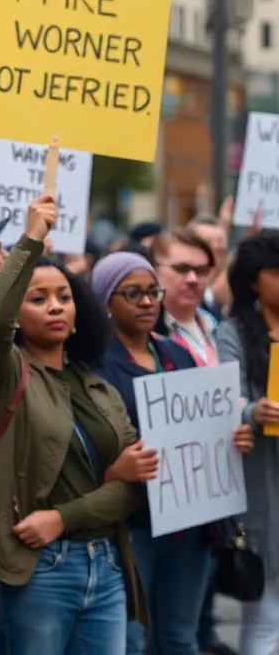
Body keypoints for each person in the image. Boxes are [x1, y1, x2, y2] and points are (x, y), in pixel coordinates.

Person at [0, 195, 147, 655]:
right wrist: (30, 243)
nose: (55, 307)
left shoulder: (98, 389)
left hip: (104, 567)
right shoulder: (0, 377)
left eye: (65, 297)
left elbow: (135, 483)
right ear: (17, 318)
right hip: (35, 569)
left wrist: (63, 517)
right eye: (38, 299)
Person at [92, 252, 253, 655]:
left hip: (189, 524)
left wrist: (232, 439)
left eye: (152, 292)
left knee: (180, 638)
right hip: (134, 525)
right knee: (129, 640)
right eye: (132, 294)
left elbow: (205, 425)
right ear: (105, 302)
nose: (146, 302)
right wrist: (118, 467)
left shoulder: (177, 354)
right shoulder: (94, 366)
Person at [215, 230, 279, 655]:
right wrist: (253, 412)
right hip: (263, 483)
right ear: (255, 281)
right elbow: (225, 400)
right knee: (267, 613)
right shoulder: (233, 331)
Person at [150, 229, 220, 366]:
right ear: (154, 270)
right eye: (181, 269)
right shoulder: (144, 331)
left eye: (201, 271)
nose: (193, 279)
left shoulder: (214, 324)